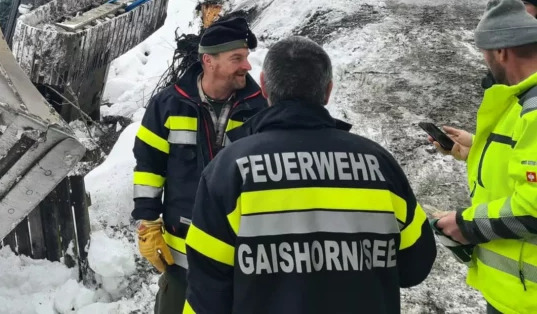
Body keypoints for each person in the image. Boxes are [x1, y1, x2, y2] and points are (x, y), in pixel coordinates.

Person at [184, 35, 436, 314]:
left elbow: (206, 292)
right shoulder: (380, 165)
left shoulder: (230, 170)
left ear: (264, 86)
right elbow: (416, 266)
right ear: (327, 91)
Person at [132, 14, 267, 314]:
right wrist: (147, 221)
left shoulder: (261, 108)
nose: (247, 66)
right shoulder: (168, 104)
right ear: (209, 61)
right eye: (237, 58)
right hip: (181, 258)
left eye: (246, 57)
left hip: (240, 259)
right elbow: (148, 167)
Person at [434, 0, 537, 314]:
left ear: (501, 51)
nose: (485, 62)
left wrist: (465, 225)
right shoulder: (521, 100)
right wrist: (473, 148)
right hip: (513, 292)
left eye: (485, 53)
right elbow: (522, 163)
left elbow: (533, 207)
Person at [428, 0, 537, 157]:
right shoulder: (511, 81)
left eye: (520, 4)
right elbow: (519, 150)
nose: (506, 9)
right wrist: (478, 149)